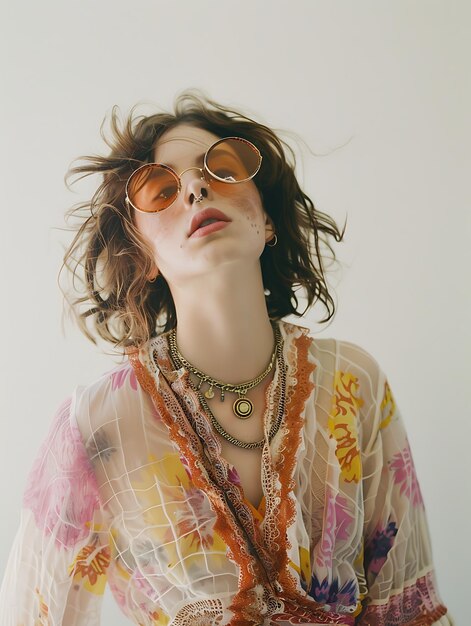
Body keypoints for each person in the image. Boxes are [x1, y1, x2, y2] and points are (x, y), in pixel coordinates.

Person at [0, 92, 453, 626]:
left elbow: (408, 610)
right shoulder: (98, 427)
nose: (195, 186)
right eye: (161, 189)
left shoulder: (354, 384)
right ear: (142, 254)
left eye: (223, 167)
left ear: (266, 220)